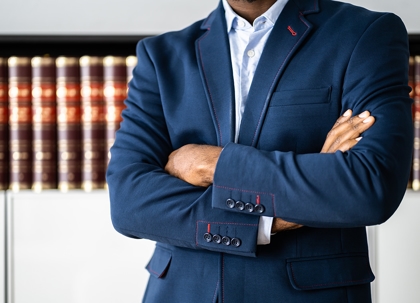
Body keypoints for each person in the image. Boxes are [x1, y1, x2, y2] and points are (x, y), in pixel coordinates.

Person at [106, 0, 413, 302]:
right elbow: (129, 203)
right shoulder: (160, 55)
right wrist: (273, 219)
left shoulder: (365, 33)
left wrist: (211, 164)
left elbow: (371, 186)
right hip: (181, 292)